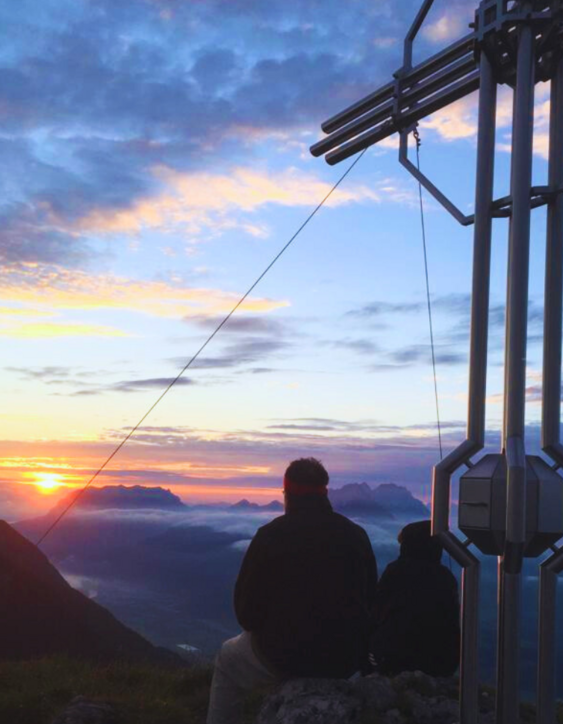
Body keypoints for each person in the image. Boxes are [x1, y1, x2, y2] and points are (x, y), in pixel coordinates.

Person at [206, 457, 378, 724]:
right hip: (344, 659)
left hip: (283, 656)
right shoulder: (356, 535)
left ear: (287, 494)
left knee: (226, 660)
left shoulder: (270, 535)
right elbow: (370, 602)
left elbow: (246, 614)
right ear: (325, 492)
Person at [369, 519, 460, 677]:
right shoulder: (446, 577)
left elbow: (376, 610)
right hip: (441, 662)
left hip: (395, 659)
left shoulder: (396, 571)